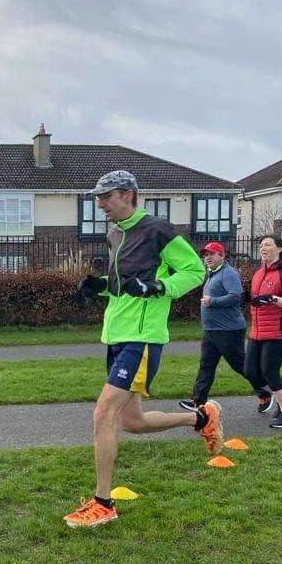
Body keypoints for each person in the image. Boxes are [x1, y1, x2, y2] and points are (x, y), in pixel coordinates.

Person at [64, 171, 223, 530]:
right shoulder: (115, 233)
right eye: (98, 198)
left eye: (104, 197)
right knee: (131, 423)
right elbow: (125, 285)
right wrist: (100, 286)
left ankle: (103, 503)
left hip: (142, 338)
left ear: (126, 194)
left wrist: (157, 288)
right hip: (117, 334)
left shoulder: (158, 230)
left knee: (102, 415)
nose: (99, 204)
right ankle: (201, 418)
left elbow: (194, 271)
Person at [178, 241, 273, 413]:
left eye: (211, 254)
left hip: (228, 330)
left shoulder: (228, 273)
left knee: (241, 365)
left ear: (221, 256)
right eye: (205, 255)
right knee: (206, 365)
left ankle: (270, 392)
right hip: (211, 330)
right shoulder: (212, 273)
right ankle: (198, 401)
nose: (207, 257)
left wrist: (212, 302)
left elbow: (235, 297)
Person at [244, 234, 282, 429]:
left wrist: (273, 299)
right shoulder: (259, 273)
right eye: (261, 245)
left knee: (270, 371)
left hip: (280, 331)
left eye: (268, 244)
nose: (263, 248)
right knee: (251, 371)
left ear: (279, 249)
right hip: (258, 331)